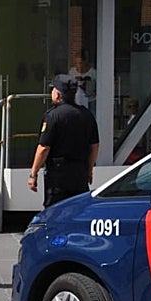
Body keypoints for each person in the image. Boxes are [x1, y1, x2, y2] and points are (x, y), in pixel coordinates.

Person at [28, 74, 100, 207]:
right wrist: (89, 170)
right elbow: (94, 146)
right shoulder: (86, 115)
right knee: (79, 210)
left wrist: (33, 173)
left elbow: (44, 148)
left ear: (57, 94)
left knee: (55, 211)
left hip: (58, 176)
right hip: (80, 172)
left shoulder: (53, 116)